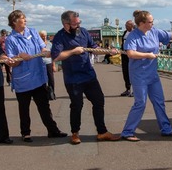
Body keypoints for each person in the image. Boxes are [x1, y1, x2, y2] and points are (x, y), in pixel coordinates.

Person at [51, 10, 121, 144]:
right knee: (77, 105)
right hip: (73, 78)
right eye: (75, 24)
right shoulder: (59, 37)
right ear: (66, 25)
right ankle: (75, 133)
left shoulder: (83, 31)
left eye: (79, 23)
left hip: (89, 74)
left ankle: (102, 132)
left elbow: (93, 47)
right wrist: (73, 51)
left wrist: (108, 51)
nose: (78, 26)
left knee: (99, 101)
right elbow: (56, 56)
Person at [120, 10, 172, 141]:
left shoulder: (155, 32)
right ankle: (127, 132)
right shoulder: (133, 36)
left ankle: (166, 129)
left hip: (152, 75)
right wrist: (147, 55)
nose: (153, 23)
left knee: (159, 102)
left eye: (152, 21)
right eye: (150, 22)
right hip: (139, 76)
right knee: (140, 103)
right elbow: (131, 54)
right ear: (141, 23)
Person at [5, 11, 67, 143]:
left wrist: (47, 53)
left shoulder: (33, 32)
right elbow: (13, 63)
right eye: (23, 18)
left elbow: (42, 49)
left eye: (25, 18)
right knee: (24, 108)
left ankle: (53, 130)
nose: (25, 20)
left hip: (38, 77)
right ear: (15, 22)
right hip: (22, 80)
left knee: (44, 106)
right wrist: (19, 55)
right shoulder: (10, 40)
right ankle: (25, 133)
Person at [39, 30, 57, 99]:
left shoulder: (49, 44)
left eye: (45, 36)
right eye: (42, 36)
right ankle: (43, 94)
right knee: (42, 79)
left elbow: (53, 56)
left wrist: (53, 65)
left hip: (49, 63)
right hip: (41, 63)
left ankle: (52, 93)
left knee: (51, 79)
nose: (44, 37)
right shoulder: (38, 45)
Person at [120, 20, 135, 97]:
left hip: (132, 54)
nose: (125, 27)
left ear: (132, 25)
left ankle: (136, 90)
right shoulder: (125, 32)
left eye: (127, 25)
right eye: (125, 25)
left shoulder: (135, 32)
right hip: (124, 54)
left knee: (133, 72)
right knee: (125, 71)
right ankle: (128, 89)